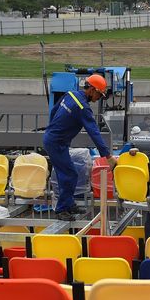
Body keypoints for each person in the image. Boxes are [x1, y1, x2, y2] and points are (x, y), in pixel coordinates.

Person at [43, 74, 117, 221]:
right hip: (56, 143)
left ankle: (68, 204)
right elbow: (94, 132)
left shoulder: (70, 94)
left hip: (55, 140)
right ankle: (62, 209)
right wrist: (107, 156)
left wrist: (51, 128)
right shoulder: (83, 108)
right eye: (99, 94)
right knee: (69, 174)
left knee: (69, 173)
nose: (99, 98)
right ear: (91, 89)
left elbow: (54, 110)